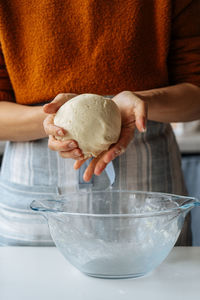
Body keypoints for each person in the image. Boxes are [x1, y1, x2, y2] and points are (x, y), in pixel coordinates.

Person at [0, 0, 199, 246]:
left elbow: (196, 91)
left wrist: (140, 102)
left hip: (147, 196)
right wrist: (53, 120)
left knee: (156, 280)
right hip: (35, 191)